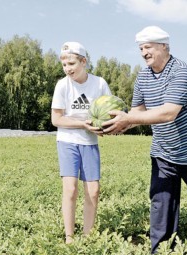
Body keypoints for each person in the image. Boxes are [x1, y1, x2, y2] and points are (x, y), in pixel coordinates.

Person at [102, 26, 187, 253]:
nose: (143, 52)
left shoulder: (181, 72)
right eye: (140, 48)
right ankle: (160, 250)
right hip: (164, 152)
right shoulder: (142, 76)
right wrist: (114, 126)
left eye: (148, 47)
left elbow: (168, 113)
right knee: (161, 203)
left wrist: (128, 118)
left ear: (164, 46)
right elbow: (136, 112)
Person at [51, 41, 111, 244]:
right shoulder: (62, 85)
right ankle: (69, 237)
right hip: (67, 141)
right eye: (64, 65)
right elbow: (56, 119)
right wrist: (82, 124)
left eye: (71, 64)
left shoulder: (100, 84)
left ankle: (87, 236)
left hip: (90, 143)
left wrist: (107, 127)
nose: (67, 69)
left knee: (93, 191)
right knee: (70, 189)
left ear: (83, 61)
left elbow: (110, 111)